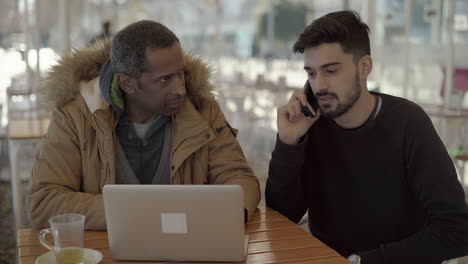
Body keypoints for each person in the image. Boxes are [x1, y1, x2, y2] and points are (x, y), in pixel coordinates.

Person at [266, 10, 468, 264]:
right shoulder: (312, 127)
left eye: (331, 70)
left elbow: (457, 229)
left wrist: (361, 261)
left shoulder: (408, 123)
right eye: (312, 73)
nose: (319, 86)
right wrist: (288, 143)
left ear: (364, 67)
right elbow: (281, 216)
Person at [27, 20, 260, 230]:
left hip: (188, 250)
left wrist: (231, 214)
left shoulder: (202, 110)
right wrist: (146, 213)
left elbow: (239, 179)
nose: (180, 89)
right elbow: (44, 201)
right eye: (165, 79)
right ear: (127, 83)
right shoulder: (76, 116)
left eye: (180, 74)